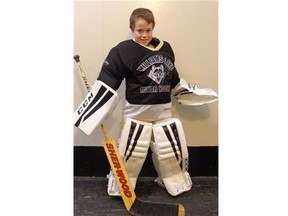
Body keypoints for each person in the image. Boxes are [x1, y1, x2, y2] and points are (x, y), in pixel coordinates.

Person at [74, 8, 218, 197]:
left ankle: (173, 182)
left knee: (170, 154)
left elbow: (173, 80)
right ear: (132, 29)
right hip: (136, 115)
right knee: (132, 155)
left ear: (153, 28)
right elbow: (107, 82)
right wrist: (94, 109)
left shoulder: (166, 49)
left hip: (163, 114)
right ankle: (122, 185)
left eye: (148, 30)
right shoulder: (122, 51)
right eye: (139, 30)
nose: (144, 35)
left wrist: (193, 93)